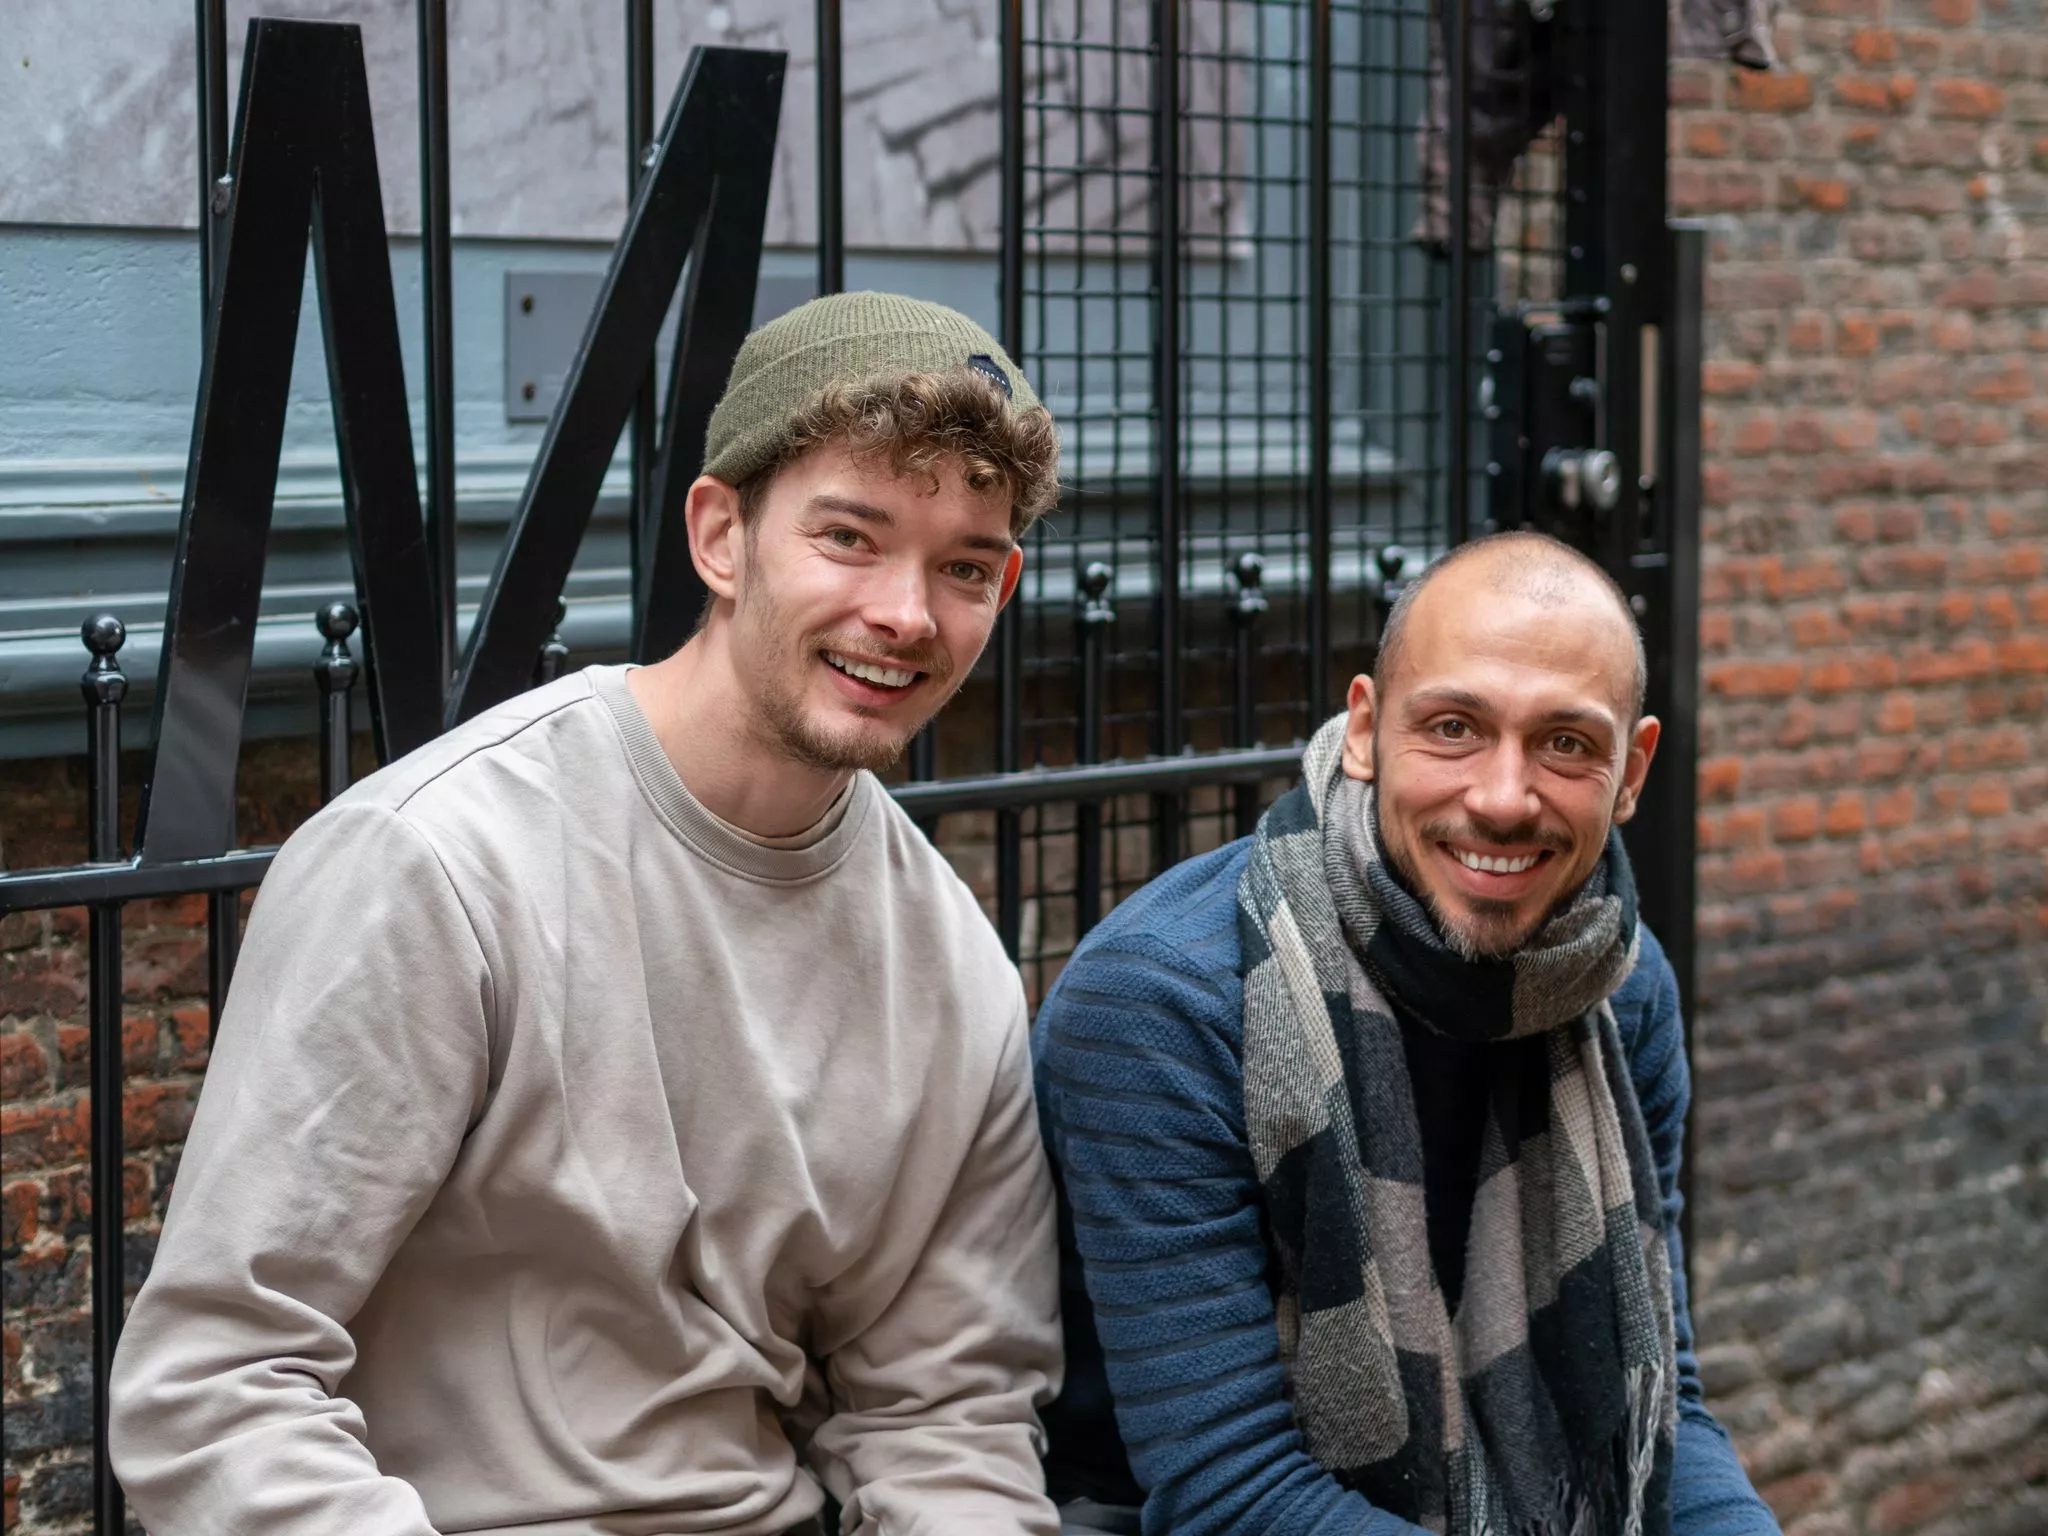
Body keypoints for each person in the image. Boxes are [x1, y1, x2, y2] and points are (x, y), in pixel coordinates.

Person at [111, 293, 1068, 1536]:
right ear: (721, 537)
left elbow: (947, 1416)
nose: (905, 613)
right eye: (849, 536)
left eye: (962, 569)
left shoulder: (950, 964)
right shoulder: (435, 866)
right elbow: (215, 1386)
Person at [1033, 531, 1782, 1536]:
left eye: (1565, 743)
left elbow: (1664, 1412)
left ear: (1632, 769)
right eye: (1453, 728)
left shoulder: (1620, 985)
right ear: (1365, 730)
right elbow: (1229, 1489)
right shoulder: (1163, 999)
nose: (1502, 798)